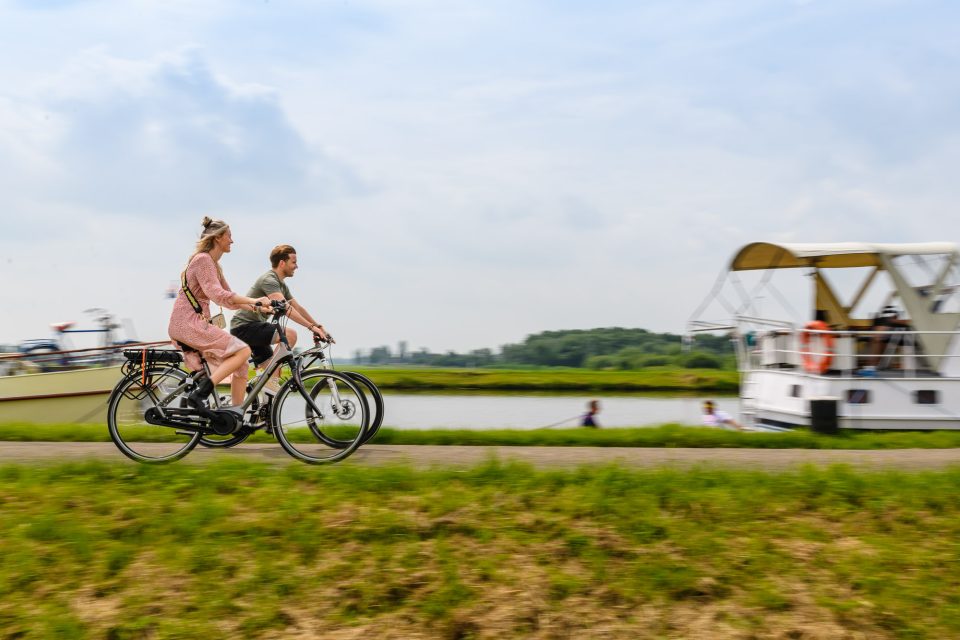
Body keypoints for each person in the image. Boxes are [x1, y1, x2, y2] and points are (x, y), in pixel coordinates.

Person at [168, 217, 273, 408]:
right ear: (218, 238)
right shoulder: (203, 260)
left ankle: (235, 413)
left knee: (241, 364)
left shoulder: (214, 266)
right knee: (243, 350)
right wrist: (254, 300)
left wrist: (257, 307)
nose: (232, 241)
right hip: (188, 323)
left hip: (195, 323)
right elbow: (217, 295)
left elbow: (228, 300)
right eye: (229, 236)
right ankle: (201, 393)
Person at [230, 244, 332, 396]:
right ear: (282, 263)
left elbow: (297, 307)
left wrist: (318, 327)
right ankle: (266, 382)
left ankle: (263, 411)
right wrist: (311, 327)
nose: (297, 266)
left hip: (256, 327)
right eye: (294, 262)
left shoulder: (281, 284)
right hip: (244, 327)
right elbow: (286, 309)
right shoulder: (269, 280)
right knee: (290, 335)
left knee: (273, 379)